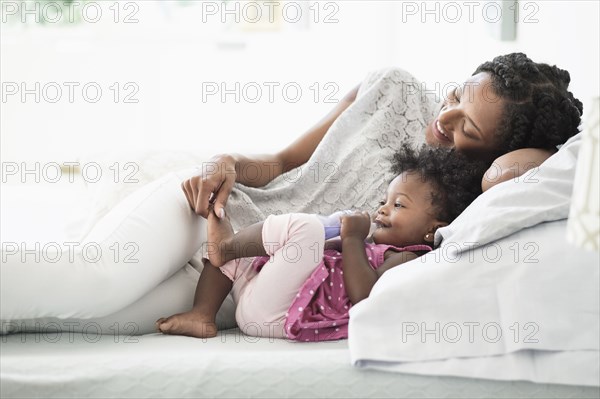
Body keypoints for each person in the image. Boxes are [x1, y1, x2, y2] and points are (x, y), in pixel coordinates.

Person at [0, 53, 583, 331]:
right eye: (459, 93)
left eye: (467, 129)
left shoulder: (457, 195)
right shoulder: (394, 89)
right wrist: (227, 162)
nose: (445, 117)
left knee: (71, 319)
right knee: (94, 280)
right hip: (221, 211)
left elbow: (519, 175)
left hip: (241, 284)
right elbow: (280, 162)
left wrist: (554, 145)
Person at [155, 145, 489, 340]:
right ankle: (203, 313)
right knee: (252, 251)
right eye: (385, 201)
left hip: (282, 316)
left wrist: (353, 238)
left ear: (433, 231)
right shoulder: (374, 243)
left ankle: (225, 246)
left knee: (308, 230)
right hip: (264, 299)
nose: (384, 209)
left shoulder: (408, 258)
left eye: (399, 205)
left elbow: (365, 297)